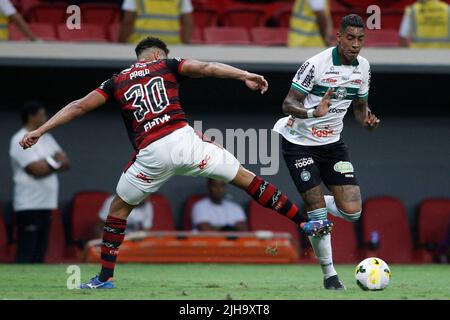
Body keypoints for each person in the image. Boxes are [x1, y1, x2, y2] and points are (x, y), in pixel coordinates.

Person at [20, 36, 333, 289]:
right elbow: (208, 67)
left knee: (118, 210)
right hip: (186, 143)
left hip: (151, 155)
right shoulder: (166, 65)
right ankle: (304, 223)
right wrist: (243, 75)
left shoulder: (116, 81)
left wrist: (40, 131)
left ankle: (105, 277)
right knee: (246, 178)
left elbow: (77, 106)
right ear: (157, 54)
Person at [273, 14, 380, 290]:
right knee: (318, 214)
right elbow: (287, 104)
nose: (355, 45)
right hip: (299, 143)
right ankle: (330, 276)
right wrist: (312, 111)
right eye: (350, 38)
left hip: (332, 145)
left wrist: (367, 119)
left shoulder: (363, 68)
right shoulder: (316, 65)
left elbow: (359, 108)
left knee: (353, 211)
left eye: (360, 39)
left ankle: (316, 205)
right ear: (339, 37)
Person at [9, 101, 70, 263]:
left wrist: (47, 162)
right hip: (28, 204)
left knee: (40, 253)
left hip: (47, 203)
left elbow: (66, 162)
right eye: (42, 114)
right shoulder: (18, 138)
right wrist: (54, 161)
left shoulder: (47, 137)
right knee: (26, 251)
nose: (46, 118)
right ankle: (20, 286)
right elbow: (36, 170)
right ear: (31, 116)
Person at [118, 0, 194, 44]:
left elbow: (127, 22)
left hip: (141, 45)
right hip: (171, 46)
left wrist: (121, 45)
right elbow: (188, 24)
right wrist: (185, 46)